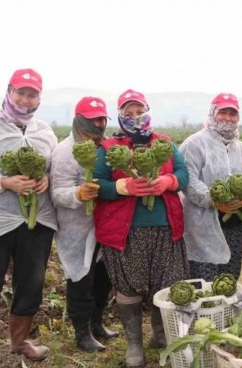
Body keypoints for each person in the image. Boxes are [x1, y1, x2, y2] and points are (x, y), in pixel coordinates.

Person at [93, 89, 189, 368]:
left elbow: (184, 174)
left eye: (140, 111)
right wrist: (124, 186)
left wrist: (168, 181)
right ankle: (134, 344)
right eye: (128, 113)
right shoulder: (109, 148)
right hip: (125, 232)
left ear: (148, 110)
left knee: (166, 285)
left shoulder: (167, 144)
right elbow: (97, 185)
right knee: (129, 287)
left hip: (166, 227)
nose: (135, 117)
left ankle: (161, 335)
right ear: (120, 116)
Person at [0, 69, 57, 366]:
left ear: (39, 98)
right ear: (9, 91)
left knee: (31, 282)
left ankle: (20, 342)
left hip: (36, 221)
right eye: (21, 92)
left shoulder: (43, 131)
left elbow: (53, 168)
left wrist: (46, 178)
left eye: (32, 94)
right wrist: (4, 182)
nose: (25, 98)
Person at [50, 96, 119, 353]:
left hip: (104, 224)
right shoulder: (64, 152)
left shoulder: (106, 148)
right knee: (81, 279)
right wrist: (78, 194)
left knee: (103, 278)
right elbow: (57, 193)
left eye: (102, 119)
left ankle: (97, 324)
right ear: (79, 120)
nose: (99, 124)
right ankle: (82, 333)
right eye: (93, 119)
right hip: (76, 228)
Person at [180, 93, 242, 281]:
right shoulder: (195, 143)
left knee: (228, 277)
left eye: (233, 114)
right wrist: (214, 200)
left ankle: (227, 309)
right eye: (223, 112)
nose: (228, 118)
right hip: (202, 223)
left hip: (234, 223)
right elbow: (189, 180)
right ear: (212, 113)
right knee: (204, 278)